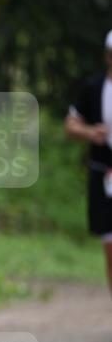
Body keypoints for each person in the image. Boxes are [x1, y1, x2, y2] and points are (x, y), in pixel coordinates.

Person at [64, 29, 112, 293]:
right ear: (108, 56)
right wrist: (90, 133)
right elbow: (70, 125)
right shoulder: (93, 89)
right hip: (104, 177)